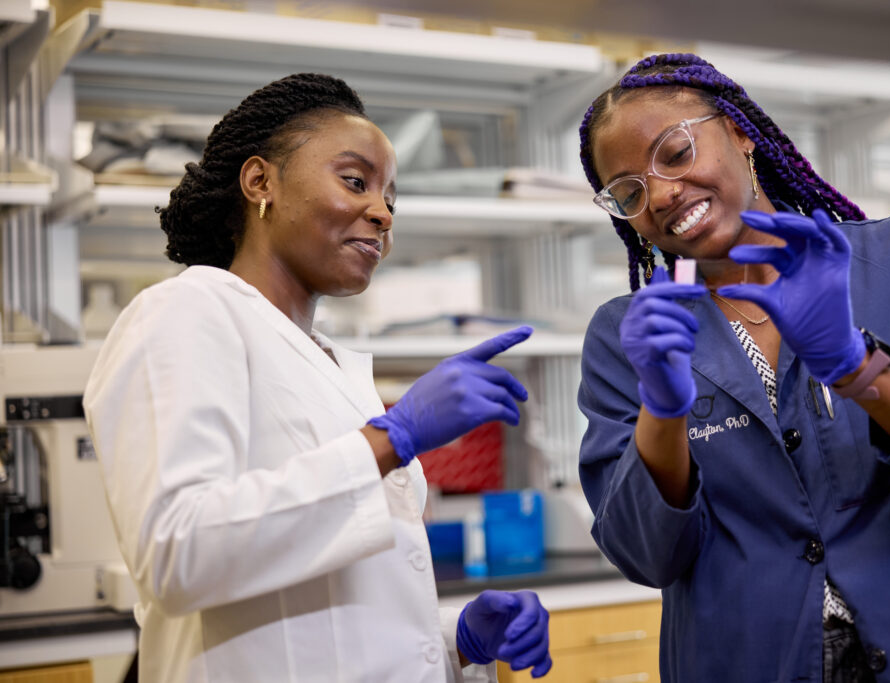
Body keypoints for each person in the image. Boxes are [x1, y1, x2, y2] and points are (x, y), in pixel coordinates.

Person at [83, 73, 553, 683]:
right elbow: (176, 553)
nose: (382, 213)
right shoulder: (185, 312)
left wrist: (456, 644)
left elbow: (332, 622)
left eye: (391, 197)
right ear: (260, 182)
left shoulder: (330, 362)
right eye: (355, 181)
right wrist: (391, 440)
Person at [575, 53, 890, 682]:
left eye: (674, 154)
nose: (663, 194)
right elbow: (647, 556)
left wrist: (854, 366)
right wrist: (662, 408)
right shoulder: (630, 335)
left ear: (739, 132)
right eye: (629, 191)